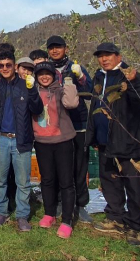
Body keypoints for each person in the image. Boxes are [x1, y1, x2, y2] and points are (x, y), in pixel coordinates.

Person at [87, 43, 140, 246]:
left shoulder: (130, 75)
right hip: (105, 142)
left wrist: (135, 82)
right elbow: (94, 106)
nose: (104, 59)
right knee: (110, 181)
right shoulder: (99, 77)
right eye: (100, 56)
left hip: (129, 141)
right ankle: (115, 217)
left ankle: (136, 226)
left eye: (108, 55)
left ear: (119, 56)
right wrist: (93, 137)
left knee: (133, 185)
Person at [0, 50, 43, 231]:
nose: (4, 68)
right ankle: (2, 211)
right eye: (1, 65)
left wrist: (32, 89)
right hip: (1, 139)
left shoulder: (25, 85)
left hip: (21, 139)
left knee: (23, 181)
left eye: (8, 65)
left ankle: (22, 215)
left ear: (15, 66)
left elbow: (37, 108)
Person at [46, 35, 94, 222]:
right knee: (59, 166)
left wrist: (81, 76)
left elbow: (91, 92)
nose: (55, 51)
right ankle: (60, 202)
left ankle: (80, 205)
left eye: (58, 47)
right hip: (56, 125)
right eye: (51, 48)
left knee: (79, 167)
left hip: (78, 124)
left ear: (65, 48)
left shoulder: (75, 68)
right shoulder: (46, 70)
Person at [31, 62, 79, 239]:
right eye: (40, 74)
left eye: (47, 73)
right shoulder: (33, 90)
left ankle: (67, 220)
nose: (44, 77)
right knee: (47, 180)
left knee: (66, 181)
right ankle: (49, 213)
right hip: (42, 141)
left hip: (62, 140)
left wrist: (69, 83)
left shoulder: (60, 89)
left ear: (53, 75)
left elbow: (72, 103)